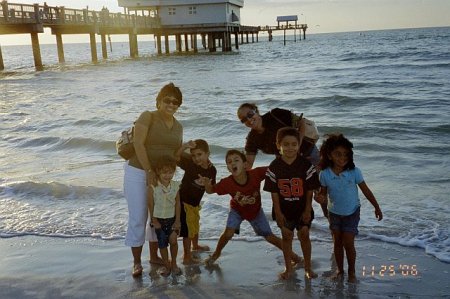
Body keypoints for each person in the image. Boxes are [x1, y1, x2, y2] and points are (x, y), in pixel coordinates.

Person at [199, 149, 302, 267]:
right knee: (228, 233)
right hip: (237, 211)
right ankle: (216, 254)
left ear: (245, 165)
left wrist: (290, 165)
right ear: (227, 167)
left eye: (236, 160)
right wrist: (207, 184)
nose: (233, 163)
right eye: (229, 162)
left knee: (270, 237)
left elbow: (274, 169)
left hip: (255, 212)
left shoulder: (255, 174)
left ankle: (295, 257)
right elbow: (211, 190)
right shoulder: (227, 183)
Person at [123, 82, 183, 277]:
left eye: (176, 102)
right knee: (139, 217)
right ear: (159, 101)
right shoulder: (147, 116)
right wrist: (148, 169)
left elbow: (174, 155)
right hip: (138, 171)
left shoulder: (178, 126)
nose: (171, 104)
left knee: (158, 216)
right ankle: (136, 262)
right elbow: (139, 143)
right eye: (167, 100)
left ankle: (154, 257)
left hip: (160, 177)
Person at [237, 103, 327, 217]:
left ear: (256, 111)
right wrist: (235, 166)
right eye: (244, 120)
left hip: (309, 154)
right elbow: (248, 164)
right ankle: (295, 226)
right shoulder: (252, 139)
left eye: (250, 114)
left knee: (321, 191)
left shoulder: (276, 114)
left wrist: (297, 145)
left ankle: (331, 222)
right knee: (293, 194)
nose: (249, 120)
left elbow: (301, 122)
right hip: (288, 163)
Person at [316, 133, 383, 283]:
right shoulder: (324, 174)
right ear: (329, 155)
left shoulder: (354, 172)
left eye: (346, 154)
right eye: (338, 154)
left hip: (352, 212)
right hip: (334, 213)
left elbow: (366, 190)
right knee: (337, 242)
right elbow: (322, 195)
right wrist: (320, 202)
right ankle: (340, 270)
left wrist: (376, 207)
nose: (342, 158)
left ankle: (351, 271)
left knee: (348, 242)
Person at [264, 127, 320, 280]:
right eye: (286, 144)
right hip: (284, 209)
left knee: (304, 234)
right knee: (287, 237)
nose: (290, 148)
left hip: (302, 208)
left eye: (294, 144)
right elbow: (273, 192)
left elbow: (310, 190)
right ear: (278, 145)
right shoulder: (274, 167)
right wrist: (278, 212)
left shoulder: (305, 165)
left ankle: (308, 268)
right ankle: (288, 268)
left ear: (299, 145)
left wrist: (308, 209)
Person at [175, 139, 217, 264]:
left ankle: (195, 245)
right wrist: (185, 146)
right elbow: (176, 157)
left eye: (199, 154)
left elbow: (210, 191)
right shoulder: (190, 164)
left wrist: (207, 184)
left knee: (195, 224)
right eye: (193, 155)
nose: (196, 158)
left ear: (207, 153)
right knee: (187, 230)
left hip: (195, 203)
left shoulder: (212, 170)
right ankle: (187, 257)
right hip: (183, 201)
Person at [148, 156, 182, 276]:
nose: (168, 175)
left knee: (173, 241)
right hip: (159, 221)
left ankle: (174, 264)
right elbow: (150, 204)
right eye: (164, 172)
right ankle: (166, 265)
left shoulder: (176, 186)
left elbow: (178, 203)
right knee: (162, 244)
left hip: (172, 219)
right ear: (158, 171)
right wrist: (154, 220)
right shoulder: (153, 187)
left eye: (171, 172)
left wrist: (178, 220)